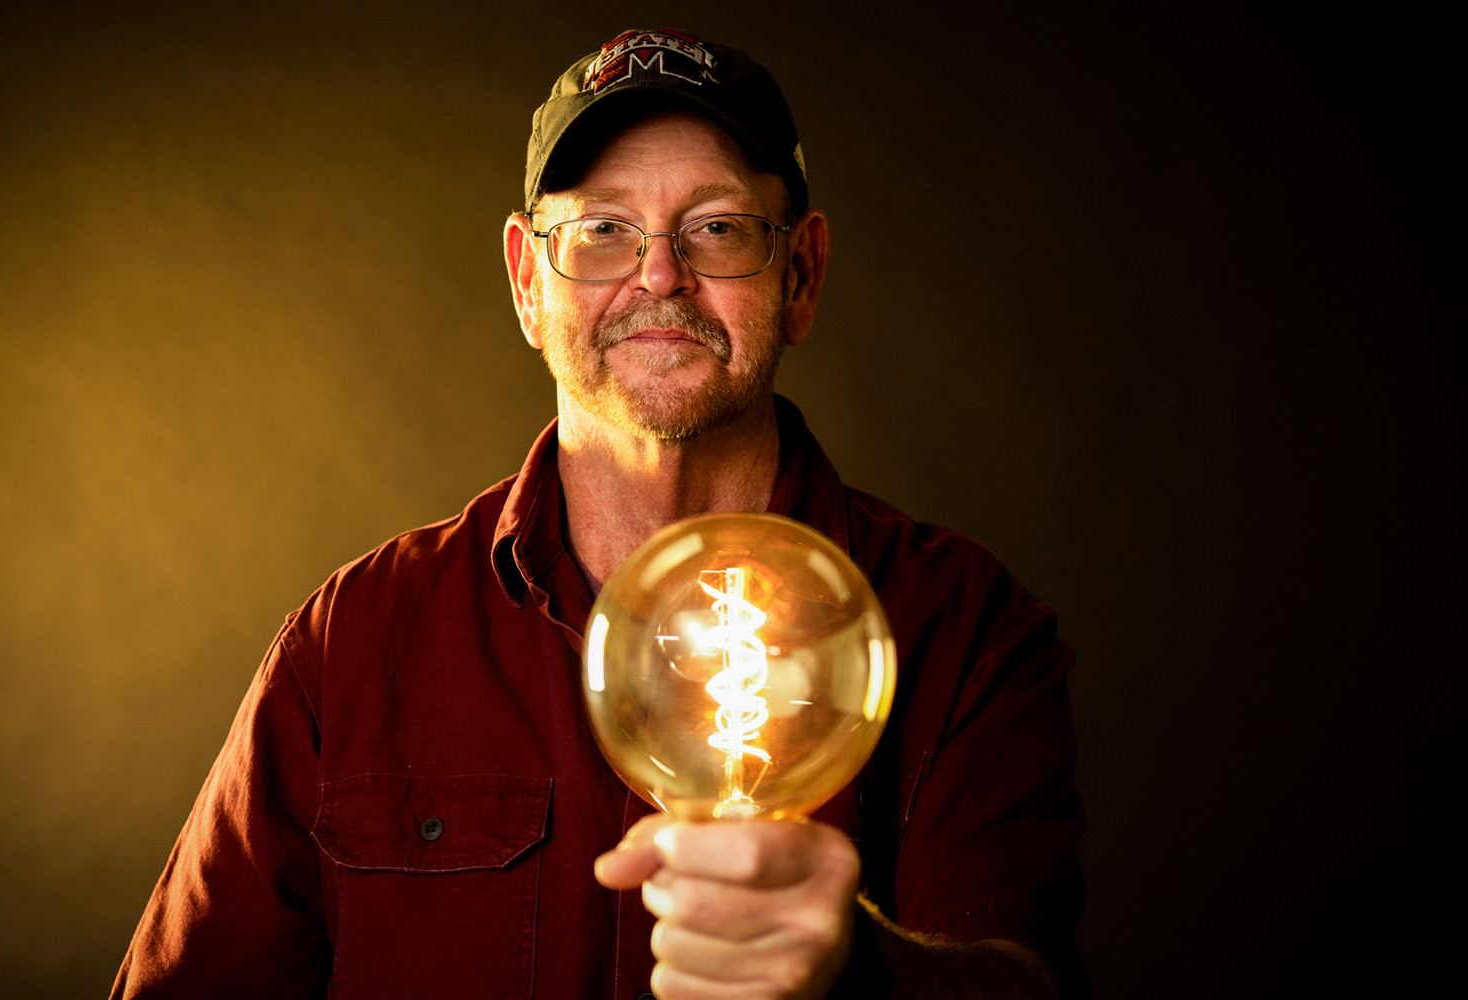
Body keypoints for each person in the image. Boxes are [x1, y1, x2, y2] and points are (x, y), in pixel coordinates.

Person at [111, 28, 1084, 1000]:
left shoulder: (963, 627)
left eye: (717, 227)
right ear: (529, 282)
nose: (659, 276)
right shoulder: (354, 640)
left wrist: (854, 973)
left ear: (803, 273)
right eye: (603, 229)